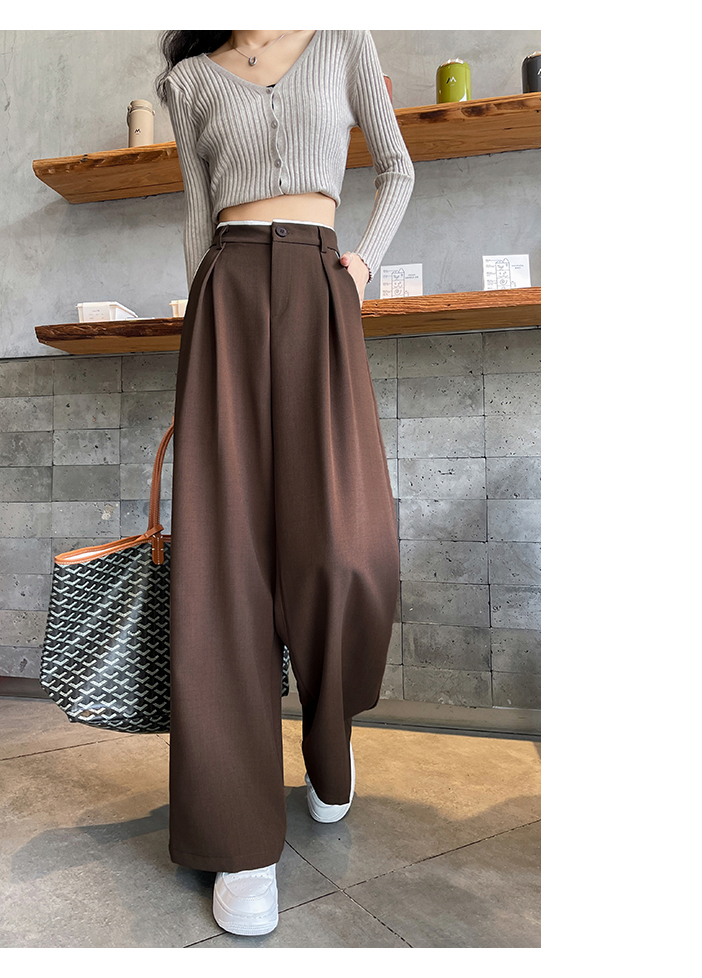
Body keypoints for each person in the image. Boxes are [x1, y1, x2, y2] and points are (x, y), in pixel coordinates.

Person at [155, 30, 414, 936]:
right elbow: (198, 214)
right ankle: (239, 836)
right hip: (225, 296)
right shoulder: (190, 80)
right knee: (222, 568)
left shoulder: (340, 37)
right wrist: (203, 342)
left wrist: (363, 263)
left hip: (321, 284)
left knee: (349, 548)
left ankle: (329, 731)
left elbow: (397, 167)